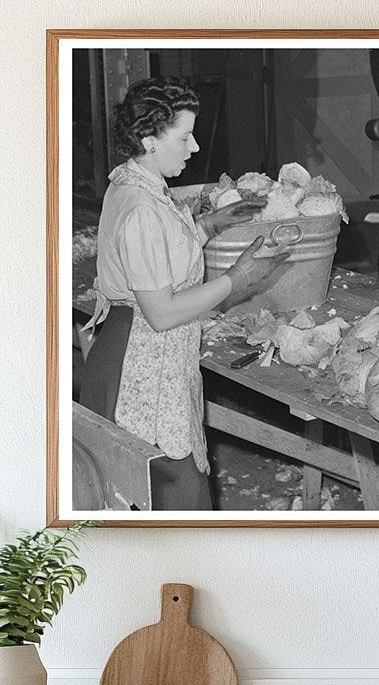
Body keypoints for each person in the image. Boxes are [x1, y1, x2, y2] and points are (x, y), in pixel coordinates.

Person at [79, 76, 288, 510]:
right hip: (141, 365)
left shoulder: (139, 186)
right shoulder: (140, 209)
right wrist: (240, 277)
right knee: (168, 495)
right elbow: (162, 311)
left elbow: (162, 256)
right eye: (184, 137)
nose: (194, 148)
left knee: (172, 492)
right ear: (148, 139)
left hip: (151, 358)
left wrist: (211, 224)